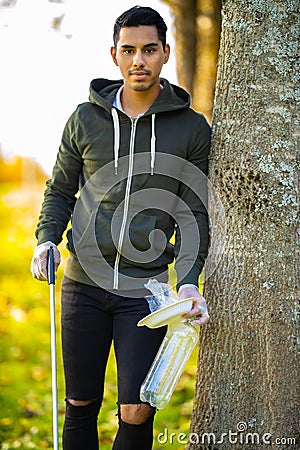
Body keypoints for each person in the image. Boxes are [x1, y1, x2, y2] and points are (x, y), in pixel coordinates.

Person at [30, 5, 211, 450]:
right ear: (114, 55)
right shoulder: (85, 119)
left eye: (149, 49)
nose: (139, 60)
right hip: (83, 285)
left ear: (166, 53)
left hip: (145, 291)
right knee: (80, 403)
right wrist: (45, 239)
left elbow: (195, 212)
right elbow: (60, 190)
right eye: (128, 50)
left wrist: (188, 282)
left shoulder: (191, 128)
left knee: (137, 409)